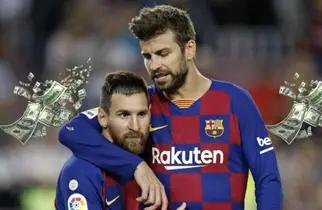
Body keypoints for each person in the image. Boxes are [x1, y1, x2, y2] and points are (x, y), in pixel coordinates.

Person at [59, 5, 283, 210]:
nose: (154, 65)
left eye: (163, 54)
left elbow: (268, 178)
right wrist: (137, 166)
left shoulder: (235, 101)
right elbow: (71, 132)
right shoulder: (141, 104)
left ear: (189, 49)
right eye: (148, 56)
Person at [55, 71, 186, 210]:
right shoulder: (82, 171)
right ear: (102, 117)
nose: (135, 126)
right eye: (124, 115)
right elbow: (69, 131)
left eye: (141, 114)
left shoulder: (149, 158)